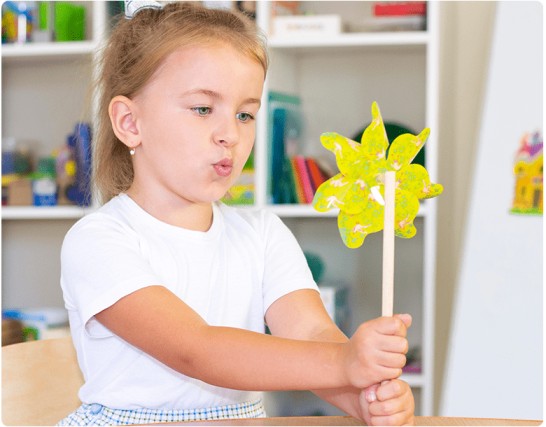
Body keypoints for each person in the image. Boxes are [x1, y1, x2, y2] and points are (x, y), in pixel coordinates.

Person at [58, 1, 415, 425]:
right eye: (203, 109)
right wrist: (344, 362)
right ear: (130, 122)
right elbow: (196, 349)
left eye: (245, 114)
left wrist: (364, 399)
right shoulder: (98, 241)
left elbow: (311, 335)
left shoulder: (262, 233)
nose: (230, 134)